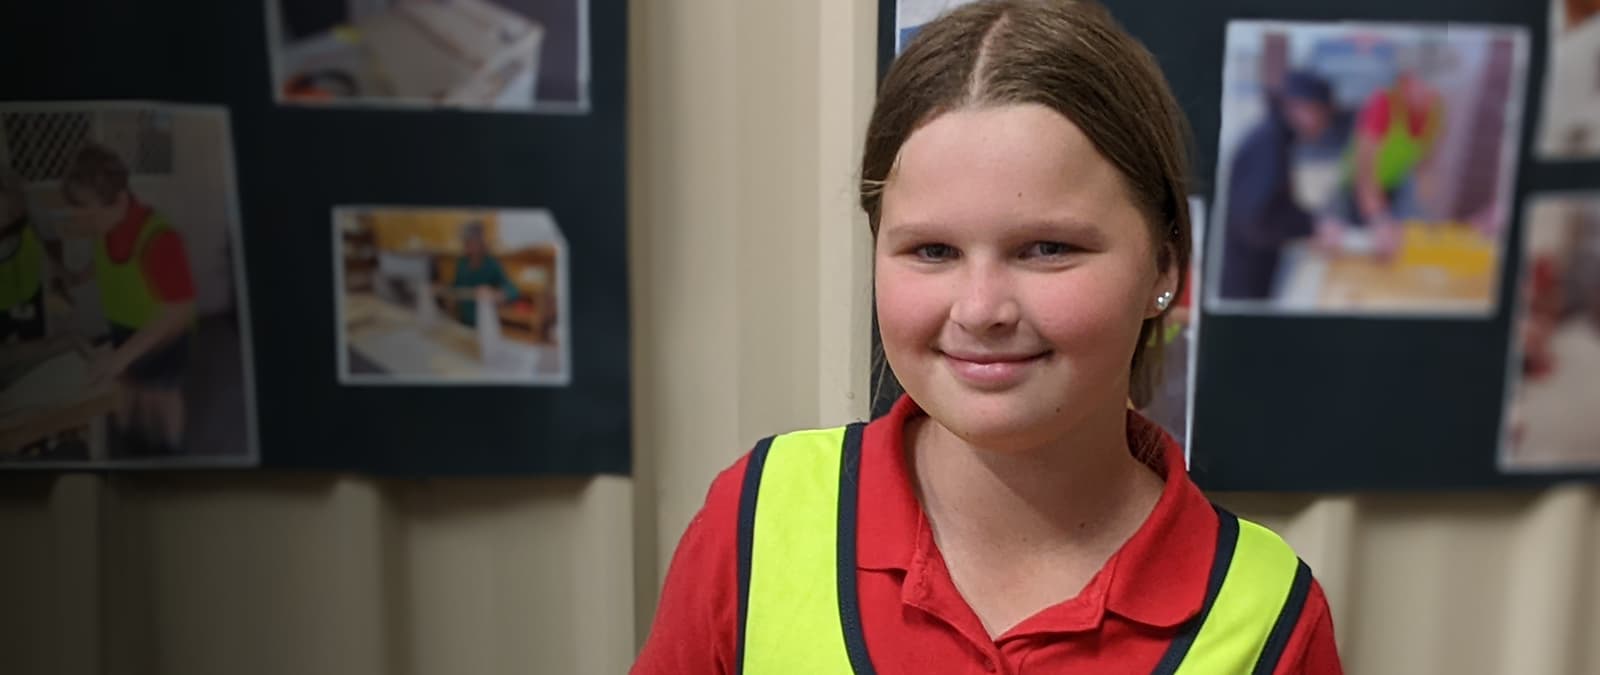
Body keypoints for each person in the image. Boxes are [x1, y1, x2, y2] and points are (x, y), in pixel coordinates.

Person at [634, 2, 1342, 673]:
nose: (980, 309)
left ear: (1164, 265)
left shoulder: (1267, 615)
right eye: (933, 250)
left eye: (1047, 248)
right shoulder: (758, 518)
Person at [60, 143, 197, 455]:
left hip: (163, 337)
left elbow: (178, 310)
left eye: (87, 212)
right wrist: (80, 276)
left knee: (161, 394)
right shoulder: (107, 225)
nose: (81, 222)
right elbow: (106, 260)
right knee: (128, 383)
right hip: (123, 329)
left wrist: (120, 357)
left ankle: (172, 451)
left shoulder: (161, 239)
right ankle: (126, 442)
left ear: (120, 200)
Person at [1219, 70, 1339, 300]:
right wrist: (1310, 227)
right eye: (1322, 114)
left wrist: (1311, 224)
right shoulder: (1269, 143)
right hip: (1244, 278)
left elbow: (1275, 205)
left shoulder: (1275, 138)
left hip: (1250, 271)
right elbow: (1257, 218)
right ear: (1301, 107)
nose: (1324, 125)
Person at [446, 220, 518, 327]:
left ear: (481, 242)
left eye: (471, 241)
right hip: (463, 321)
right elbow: (456, 285)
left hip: (484, 323)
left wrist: (495, 294)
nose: (467, 245)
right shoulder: (462, 263)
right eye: (465, 242)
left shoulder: (491, 264)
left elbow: (513, 290)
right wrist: (448, 292)